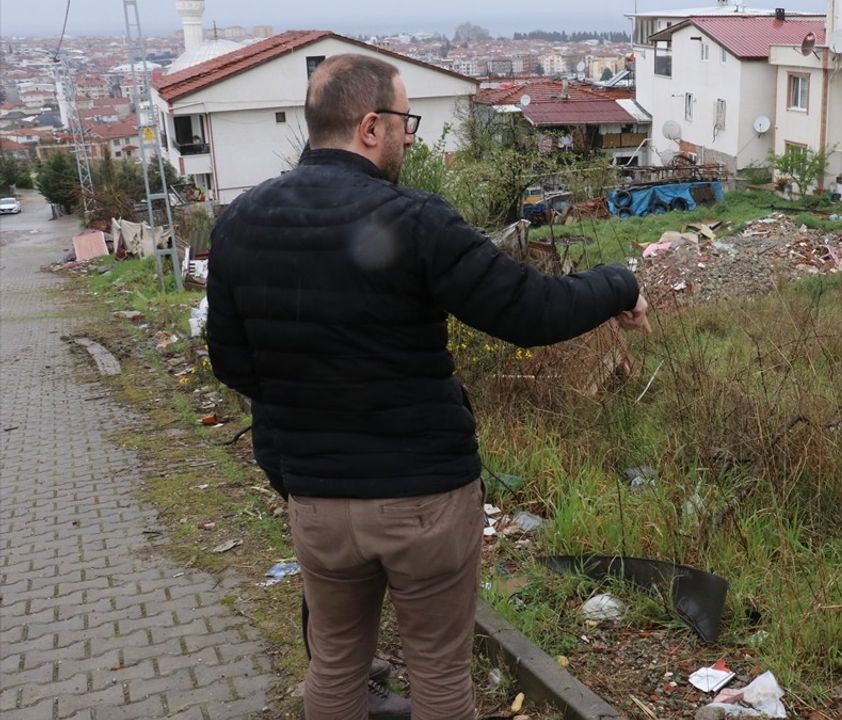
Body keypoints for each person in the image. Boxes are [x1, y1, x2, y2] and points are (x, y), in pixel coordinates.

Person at [206, 53, 649, 720]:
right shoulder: (415, 219)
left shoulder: (240, 223)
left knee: (334, 666)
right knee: (440, 673)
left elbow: (232, 363)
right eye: (406, 121)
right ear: (370, 126)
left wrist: (307, 407)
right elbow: (530, 311)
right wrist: (620, 283)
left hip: (316, 499)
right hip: (421, 497)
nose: (410, 137)